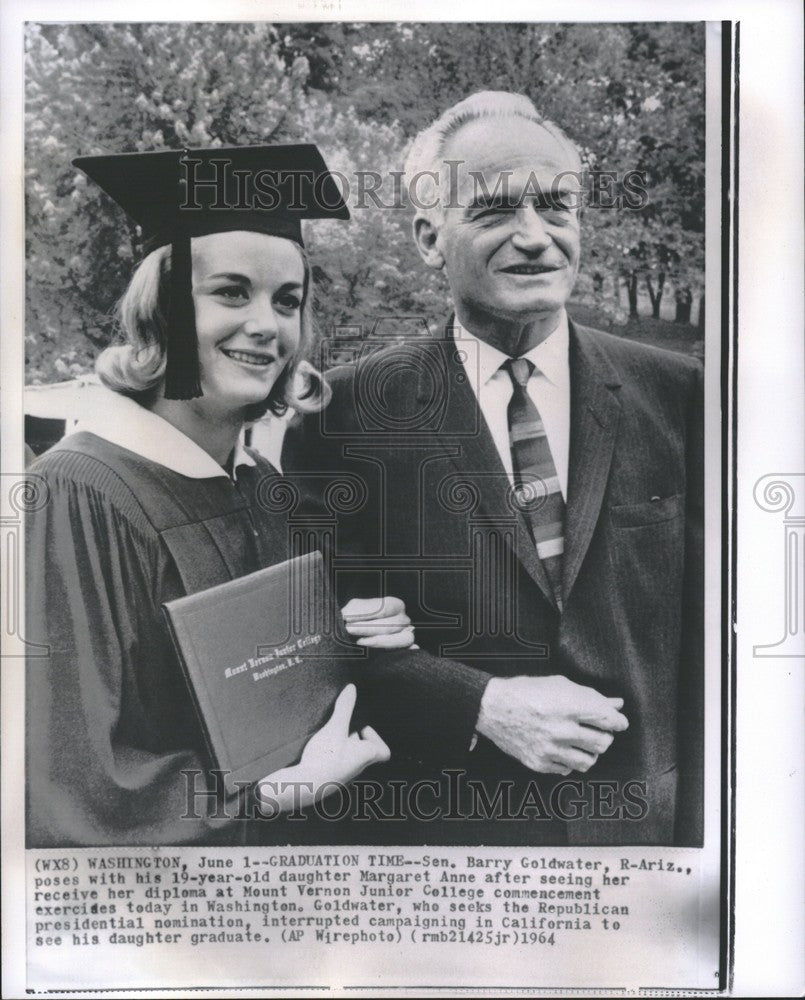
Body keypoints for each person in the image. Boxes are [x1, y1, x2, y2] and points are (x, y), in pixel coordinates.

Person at [283, 92, 704, 846]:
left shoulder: (680, 395)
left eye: (556, 206)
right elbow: (314, 642)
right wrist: (476, 702)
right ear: (426, 236)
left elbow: (719, 634)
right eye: (494, 211)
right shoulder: (344, 414)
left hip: (643, 842)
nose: (535, 238)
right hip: (448, 845)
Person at [25, 143, 417, 848]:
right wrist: (272, 796)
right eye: (231, 292)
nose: (267, 324)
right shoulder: (77, 495)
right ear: (161, 312)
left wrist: (355, 638)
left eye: (287, 301)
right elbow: (68, 786)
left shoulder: (262, 487)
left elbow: (278, 683)